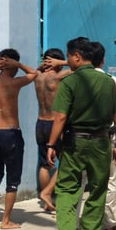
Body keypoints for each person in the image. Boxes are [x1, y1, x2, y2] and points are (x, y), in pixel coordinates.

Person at [45, 37, 116, 230]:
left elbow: (60, 117)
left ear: (77, 56)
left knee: (67, 188)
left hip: (74, 142)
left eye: (69, 56)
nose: (68, 61)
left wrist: (51, 144)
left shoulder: (70, 82)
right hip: (102, 143)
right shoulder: (109, 82)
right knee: (98, 189)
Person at [0, 48, 38, 229]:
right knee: (13, 180)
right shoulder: (15, 83)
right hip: (11, 134)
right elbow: (34, 74)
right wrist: (18, 64)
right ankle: (5, 220)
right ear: (12, 65)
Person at [87, 41, 116, 230]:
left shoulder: (73, 79)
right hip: (105, 137)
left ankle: (74, 225)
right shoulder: (112, 81)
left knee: (79, 182)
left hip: (78, 138)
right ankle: (108, 222)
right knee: (109, 180)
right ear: (103, 60)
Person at [34, 48, 72, 211]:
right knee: (65, 160)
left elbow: (35, 70)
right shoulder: (58, 77)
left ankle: (46, 201)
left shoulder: (37, 76)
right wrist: (62, 62)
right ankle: (48, 193)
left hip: (40, 123)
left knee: (44, 164)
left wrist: (42, 65)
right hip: (54, 124)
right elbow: (79, 67)